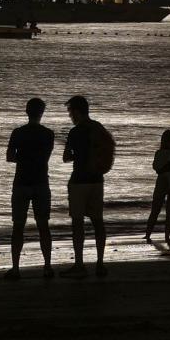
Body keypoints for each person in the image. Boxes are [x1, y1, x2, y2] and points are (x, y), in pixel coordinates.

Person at [62, 94, 113, 277]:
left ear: (76, 111)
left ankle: (79, 265)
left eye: (70, 112)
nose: (70, 116)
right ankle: (100, 264)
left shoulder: (75, 132)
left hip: (79, 181)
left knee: (78, 223)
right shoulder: (98, 127)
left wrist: (76, 155)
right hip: (97, 180)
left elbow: (66, 157)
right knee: (98, 221)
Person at [5, 96, 55, 278]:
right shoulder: (49, 134)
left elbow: (10, 157)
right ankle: (47, 266)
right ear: (42, 113)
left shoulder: (18, 133)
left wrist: (23, 158)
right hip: (41, 181)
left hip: (21, 182)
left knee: (18, 226)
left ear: (27, 111)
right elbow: (45, 157)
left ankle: (16, 268)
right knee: (43, 225)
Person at [145, 129, 170, 243]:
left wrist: (163, 168)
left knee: (156, 209)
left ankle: (148, 234)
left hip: (163, 181)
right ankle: (165, 235)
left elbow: (156, 168)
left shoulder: (159, 153)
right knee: (168, 211)